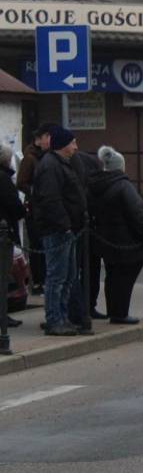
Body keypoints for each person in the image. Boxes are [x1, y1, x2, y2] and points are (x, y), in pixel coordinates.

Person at [87, 147, 143, 324]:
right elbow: (137, 212)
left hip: (105, 239)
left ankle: (114, 310)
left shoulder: (94, 185)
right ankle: (120, 312)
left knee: (112, 276)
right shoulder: (123, 185)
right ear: (121, 167)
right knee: (124, 278)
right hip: (126, 240)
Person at [33, 126, 86, 336]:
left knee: (68, 275)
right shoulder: (50, 166)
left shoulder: (61, 164)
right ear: (63, 145)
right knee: (57, 277)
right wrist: (64, 224)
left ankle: (62, 317)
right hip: (57, 230)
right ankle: (54, 319)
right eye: (73, 142)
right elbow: (51, 200)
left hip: (67, 229)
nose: (75, 147)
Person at [17, 124, 54, 294]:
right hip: (35, 207)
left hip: (46, 207)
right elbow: (21, 181)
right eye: (46, 137)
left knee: (46, 245)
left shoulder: (47, 156)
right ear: (38, 140)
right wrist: (34, 191)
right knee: (37, 245)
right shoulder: (30, 158)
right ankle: (38, 281)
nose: (49, 140)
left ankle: (45, 278)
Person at [0, 145, 24, 327]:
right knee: (2, 276)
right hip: (4, 234)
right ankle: (2, 316)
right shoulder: (4, 179)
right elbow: (15, 207)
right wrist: (25, 210)